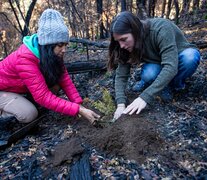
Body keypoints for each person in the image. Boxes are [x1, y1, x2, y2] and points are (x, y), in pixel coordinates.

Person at [0, 9, 100, 124]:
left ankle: (22, 102)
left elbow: (64, 78)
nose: (64, 50)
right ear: (48, 45)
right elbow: (42, 96)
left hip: (17, 88)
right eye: (60, 45)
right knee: (28, 114)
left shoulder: (51, 53)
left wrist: (78, 104)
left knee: (55, 86)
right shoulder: (24, 58)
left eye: (66, 45)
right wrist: (78, 110)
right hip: (3, 90)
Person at [108, 11, 200, 120]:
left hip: (177, 58)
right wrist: (120, 104)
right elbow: (121, 75)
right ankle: (156, 84)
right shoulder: (124, 45)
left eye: (124, 39)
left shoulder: (161, 29)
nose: (121, 45)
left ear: (135, 31)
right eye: (118, 41)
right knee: (149, 74)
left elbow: (171, 66)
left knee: (190, 57)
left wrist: (144, 97)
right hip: (156, 64)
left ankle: (175, 85)